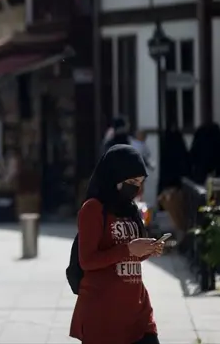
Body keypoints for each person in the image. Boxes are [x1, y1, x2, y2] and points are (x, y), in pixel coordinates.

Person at [70, 145, 163, 344]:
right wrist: (128, 249)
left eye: (140, 182)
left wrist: (147, 249)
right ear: (114, 176)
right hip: (103, 316)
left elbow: (133, 253)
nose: (136, 187)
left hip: (138, 311)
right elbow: (87, 261)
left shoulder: (131, 209)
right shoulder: (93, 209)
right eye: (131, 182)